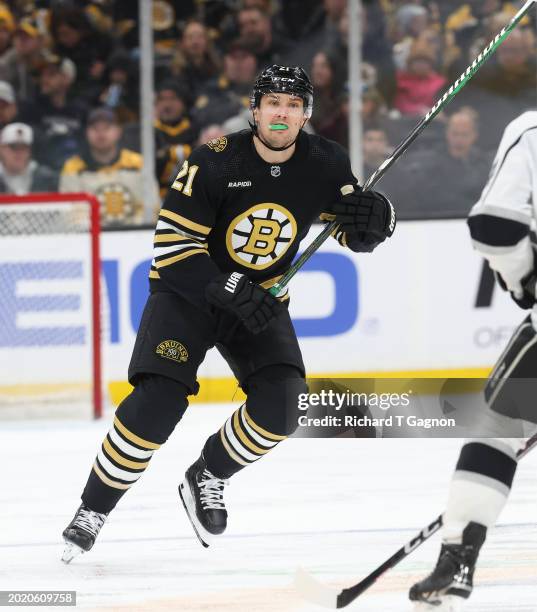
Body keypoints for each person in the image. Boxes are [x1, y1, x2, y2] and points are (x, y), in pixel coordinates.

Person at [61, 64, 396, 562]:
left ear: (305, 114)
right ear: (255, 109)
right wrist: (229, 285)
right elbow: (172, 248)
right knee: (158, 402)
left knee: (283, 406)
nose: (282, 113)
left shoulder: (326, 161)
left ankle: (208, 474)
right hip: (188, 296)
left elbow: (350, 224)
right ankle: (94, 508)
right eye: (273, 103)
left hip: (258, 303)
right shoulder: (213, 160)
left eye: (294, 105)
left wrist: (379, 220)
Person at [409, 111, 537, 609]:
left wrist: (524, 281)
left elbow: (494, 225)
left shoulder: (529, 128)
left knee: (499, 433)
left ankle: (458, 558)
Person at [60, 107, 159, 226]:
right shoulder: (73, 167)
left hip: (135, 236)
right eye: (95, 128)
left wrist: (132, 230)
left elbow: (151, 207)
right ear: (86, 133)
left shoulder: (138, 163)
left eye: (107, 128)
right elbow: (72, 213)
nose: (101, 134)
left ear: (118, 132)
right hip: (91, 239)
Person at [0, 122, 57, 194]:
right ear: (2, 149)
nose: (19, 152)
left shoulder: (47, 178)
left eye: (23, 147)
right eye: (13, 147)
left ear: (29, 150)